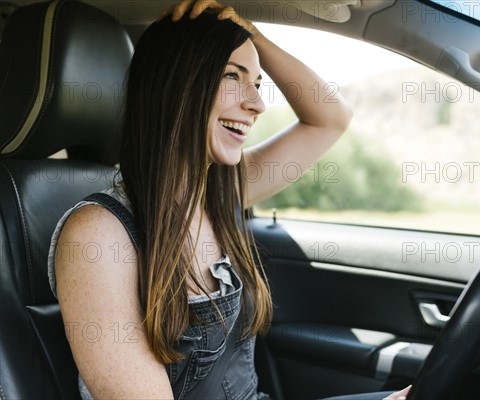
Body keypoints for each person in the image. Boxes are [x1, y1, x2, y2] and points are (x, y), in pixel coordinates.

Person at [49, 0, 408, 398]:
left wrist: (251, 33)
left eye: (256, 82)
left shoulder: (221, 193)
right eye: (232, 76)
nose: (256, 104)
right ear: (176, 83)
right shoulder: (98, 236)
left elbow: (331, 117)